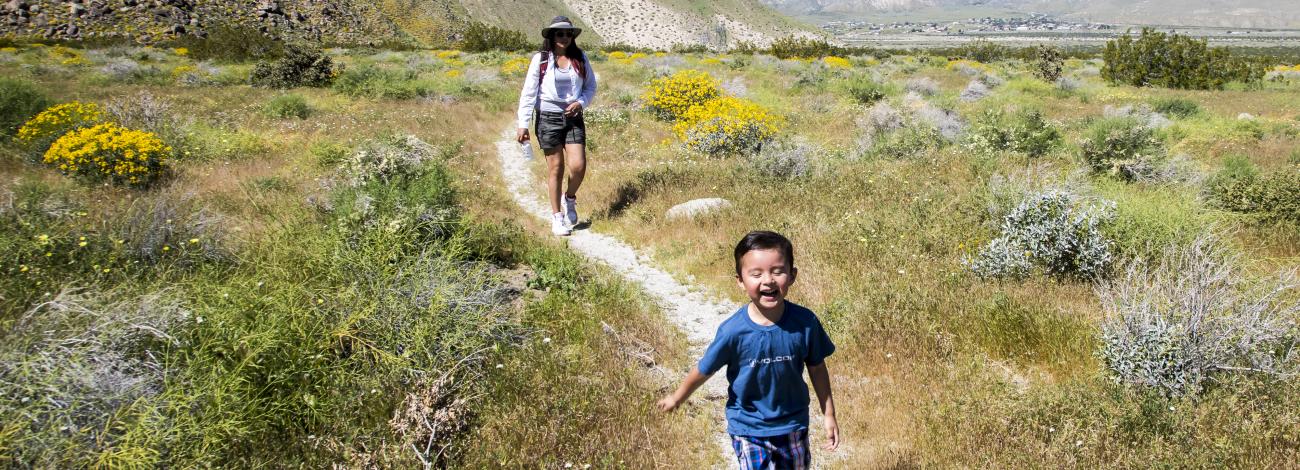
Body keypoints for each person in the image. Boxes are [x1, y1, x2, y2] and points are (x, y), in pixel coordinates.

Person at [658, 231, 840, 469]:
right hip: (748, 427)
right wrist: (677, 397)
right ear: (740, 281)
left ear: (792, 275)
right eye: (756, 274)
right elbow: (704, 369)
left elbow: (817, 368)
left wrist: (829, 414)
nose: (768, 280)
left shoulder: (805, 323)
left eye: (777, 271)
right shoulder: (733, 331)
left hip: (793, 424)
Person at [515, 15, 597, 236]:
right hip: (547, 118)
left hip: (573, 119)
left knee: (578, 166)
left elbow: (590, 87)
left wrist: (580, 102)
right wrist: (522, 124)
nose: (564, 37)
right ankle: (557, 217)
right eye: (559, 33)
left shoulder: (580, 57)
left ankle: (569, 198)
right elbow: (529, 93)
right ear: (551, 36)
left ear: (572, 36)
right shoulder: (541, 59)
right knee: (556, 169)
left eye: (568, 33)